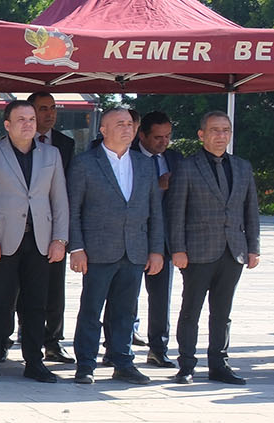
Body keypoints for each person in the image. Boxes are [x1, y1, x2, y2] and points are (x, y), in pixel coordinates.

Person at [66, 107, 163, 386]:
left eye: (130, 124)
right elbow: (74, 209)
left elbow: (155, 210)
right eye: (119, 124)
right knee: (91, 310)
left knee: (125, 312)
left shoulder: (144, 164)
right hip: (97, 250)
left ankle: (122, 361)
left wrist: (156, 250)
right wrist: (77, 247)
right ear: (103, 129)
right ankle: (85, 364)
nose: (127, 128)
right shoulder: (85, 163)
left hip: (134, 250)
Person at [0, 101, 68, 383]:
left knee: (36, 304)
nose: (28, 124)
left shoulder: (51, 154)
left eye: (31, 119)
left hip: (40, 239)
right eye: (21, 119)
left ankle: (34, 362)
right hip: (2, 241)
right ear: (7, 125)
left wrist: (59, 239)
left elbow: (59, 199)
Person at [166, 111, 258, 385]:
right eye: (215, 130)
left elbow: (250, 210)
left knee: (223, 312)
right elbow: (176, 211)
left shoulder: (242, 167)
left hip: (233, 251)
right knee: (191, 310)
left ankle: (219, 364)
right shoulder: (187, 167)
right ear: (201, 135)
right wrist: (177, 249)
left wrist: (253, 247)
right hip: (197, 250)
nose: (221, 136)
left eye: (226, 130)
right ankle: (186, 364)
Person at [31, 91, 77, 362]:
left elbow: (66, 189)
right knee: (21, 287)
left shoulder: (65, 144)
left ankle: (53, 340)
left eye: (52, 108)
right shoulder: (13, 143)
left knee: (55, 288)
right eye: (42, 108)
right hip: (23, 225)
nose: (49, 114)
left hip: (53, 225)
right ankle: (25, 334)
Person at [134, 111, 175, 366]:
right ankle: (117, 346)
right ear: (142, 136)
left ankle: (158, 348)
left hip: (164, 240)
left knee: (161, 297)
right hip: (132, 236)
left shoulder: (175, 159)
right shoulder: (127, 157)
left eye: (168, 136)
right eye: (158, 137)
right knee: (123, 295)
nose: (163, 142)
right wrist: (157, 185)